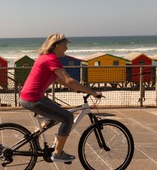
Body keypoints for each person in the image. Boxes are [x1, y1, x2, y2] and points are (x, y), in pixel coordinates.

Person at [19, 33, 102, 162]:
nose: (66, 48)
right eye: (65, 45)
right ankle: (58, 153)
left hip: (31, 96)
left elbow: (60, 79)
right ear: (57, 46)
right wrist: (91, 92)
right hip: (33, 99)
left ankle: (35, 137)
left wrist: (75, 88)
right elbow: (69, 80)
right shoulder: (51, 59)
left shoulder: (45, 57)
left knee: (57, 113)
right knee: (68, 118)